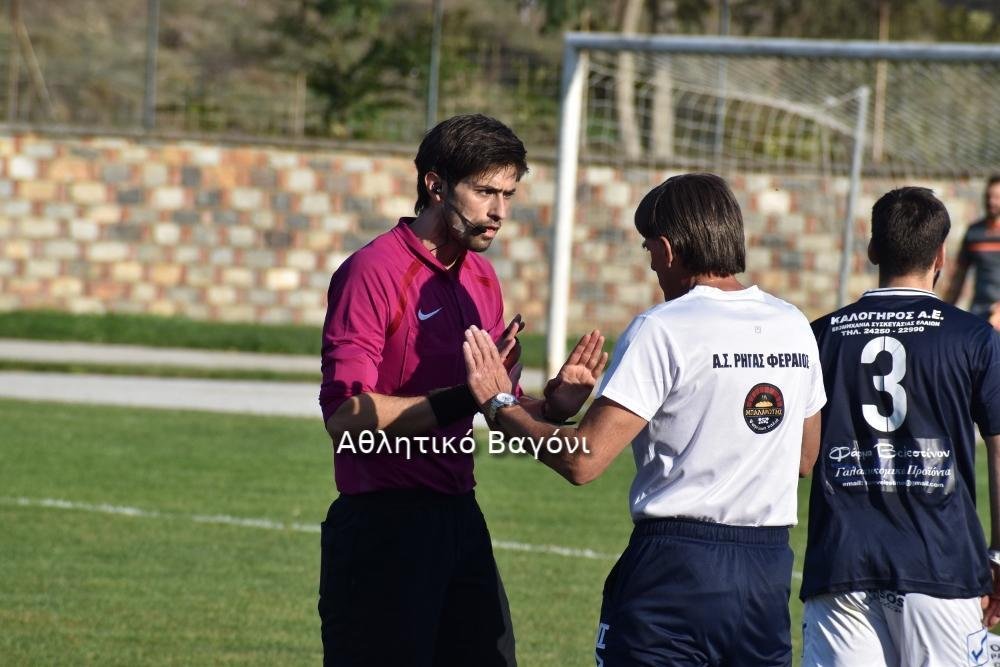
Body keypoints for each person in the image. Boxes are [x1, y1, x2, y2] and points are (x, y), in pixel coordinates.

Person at [462, 172, 826, 666]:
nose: (652, 264)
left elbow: (584, 462)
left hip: (674, 569)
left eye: (649, 249)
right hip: (765, 573)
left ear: (670, 249)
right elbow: (805, 459)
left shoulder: (664, 326)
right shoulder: (793, 325)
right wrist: (556, 408)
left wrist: (497, 405)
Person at [317, 113, 600, 666]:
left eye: (509, 194)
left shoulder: (480, 278)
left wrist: (554, 407)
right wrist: (464, 397)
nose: (499, 211)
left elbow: (496, 406)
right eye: (485, 191)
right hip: (383, 528)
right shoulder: (372, 272)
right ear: (436, 184)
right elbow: (345, 418)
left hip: (459, 519)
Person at [800, 187, 1000, 666]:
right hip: (940, 562)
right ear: (941, 256)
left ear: (872, 250)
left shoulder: (821, 335)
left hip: (840, 564)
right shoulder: (973, 337)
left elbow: (799, 458)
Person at [945, 174, 1000, 330]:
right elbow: (959, 276)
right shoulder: (974, 232)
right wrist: (946, 311)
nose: (991, 201)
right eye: (988, 196)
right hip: (980, 312)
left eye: (996, 197)